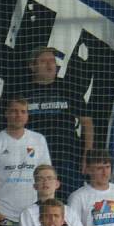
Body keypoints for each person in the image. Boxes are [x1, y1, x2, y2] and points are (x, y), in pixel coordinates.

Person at [20, 45, 93, 195]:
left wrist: (87, 155)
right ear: (32, 66)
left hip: (68, 156)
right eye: (43, 61)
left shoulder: (69, 88)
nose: (49, 65)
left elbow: (87, 123)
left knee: (72, 201)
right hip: (33, 158)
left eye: (52, 61)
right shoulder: (21, 90)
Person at [0, 96, 51, 223]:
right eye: (14, 111)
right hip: (3, 214)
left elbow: (47, 177)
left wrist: (46, 209)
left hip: (34, 214)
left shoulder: (39, 139)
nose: (19, 115)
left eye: (23, 111)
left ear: (28, 115)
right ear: (6, 113)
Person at [19, 163, 85, 226]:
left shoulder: (69, 210)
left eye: (49, 178)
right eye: (40, 179)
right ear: (35, 186)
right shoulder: (27, 213)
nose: (45, 182)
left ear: (57, 184)